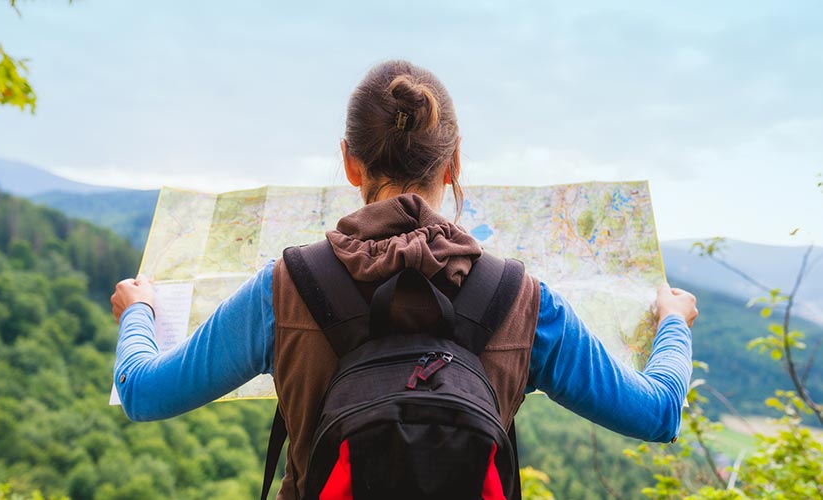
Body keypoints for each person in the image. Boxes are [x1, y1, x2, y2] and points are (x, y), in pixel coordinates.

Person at [111, 60, 697, 499]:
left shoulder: (285, 288)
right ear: (455, 163)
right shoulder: (523, 301)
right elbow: (657, 412)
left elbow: (143, 392)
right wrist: (672, 323)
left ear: (350, 162)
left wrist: (139, 309)